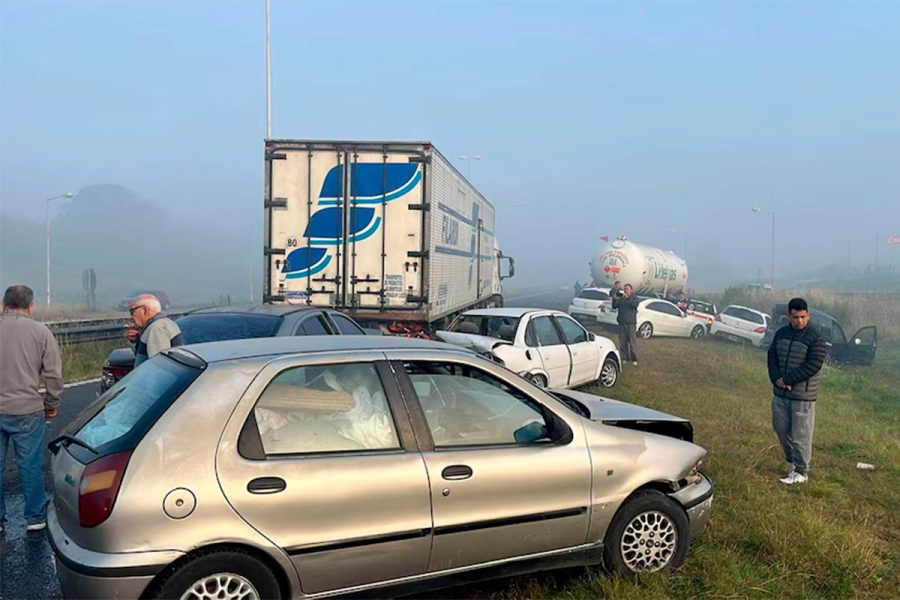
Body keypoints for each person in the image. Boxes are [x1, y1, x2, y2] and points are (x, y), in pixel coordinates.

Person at [0, 284, 63, 533]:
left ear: (4, 304)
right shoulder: (40, 331)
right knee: (29, 464)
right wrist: (51, 404)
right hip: (26, 408)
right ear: (31, 305)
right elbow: (53, 376)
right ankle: (35, 516)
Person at [767, 297, 828, 485]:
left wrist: (788, 380)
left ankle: (802, 471)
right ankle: (792, 461)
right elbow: (772, 356)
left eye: (803, 317)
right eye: (795, 317)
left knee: (801, 434)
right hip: (780, 394)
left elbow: (814, 364)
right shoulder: (781, 333)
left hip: (803, 396)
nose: (799, 321)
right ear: (788, 316)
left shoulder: (816, 338)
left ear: (808, 315)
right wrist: (777, 379)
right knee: (781, 429)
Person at [129, 294, 183, 367]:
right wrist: (136, 340)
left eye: (132, 311)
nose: (131, 316)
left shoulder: (156, 328)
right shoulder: (165, 323)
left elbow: (159, 365)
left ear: (145, 310)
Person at [611, 283, 639, 366]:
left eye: (627, 289)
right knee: (623, 342)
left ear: (631, 290)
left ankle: (634, 359)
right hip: (622, 323)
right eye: (624, 289)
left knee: (631, 342)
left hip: (631, 324)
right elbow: (614, 306)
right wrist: (615, 299)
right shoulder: (621, 299)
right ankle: (625, 358)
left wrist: (628, 298)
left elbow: (634, 304)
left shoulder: (634, 298)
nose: (625, 290)